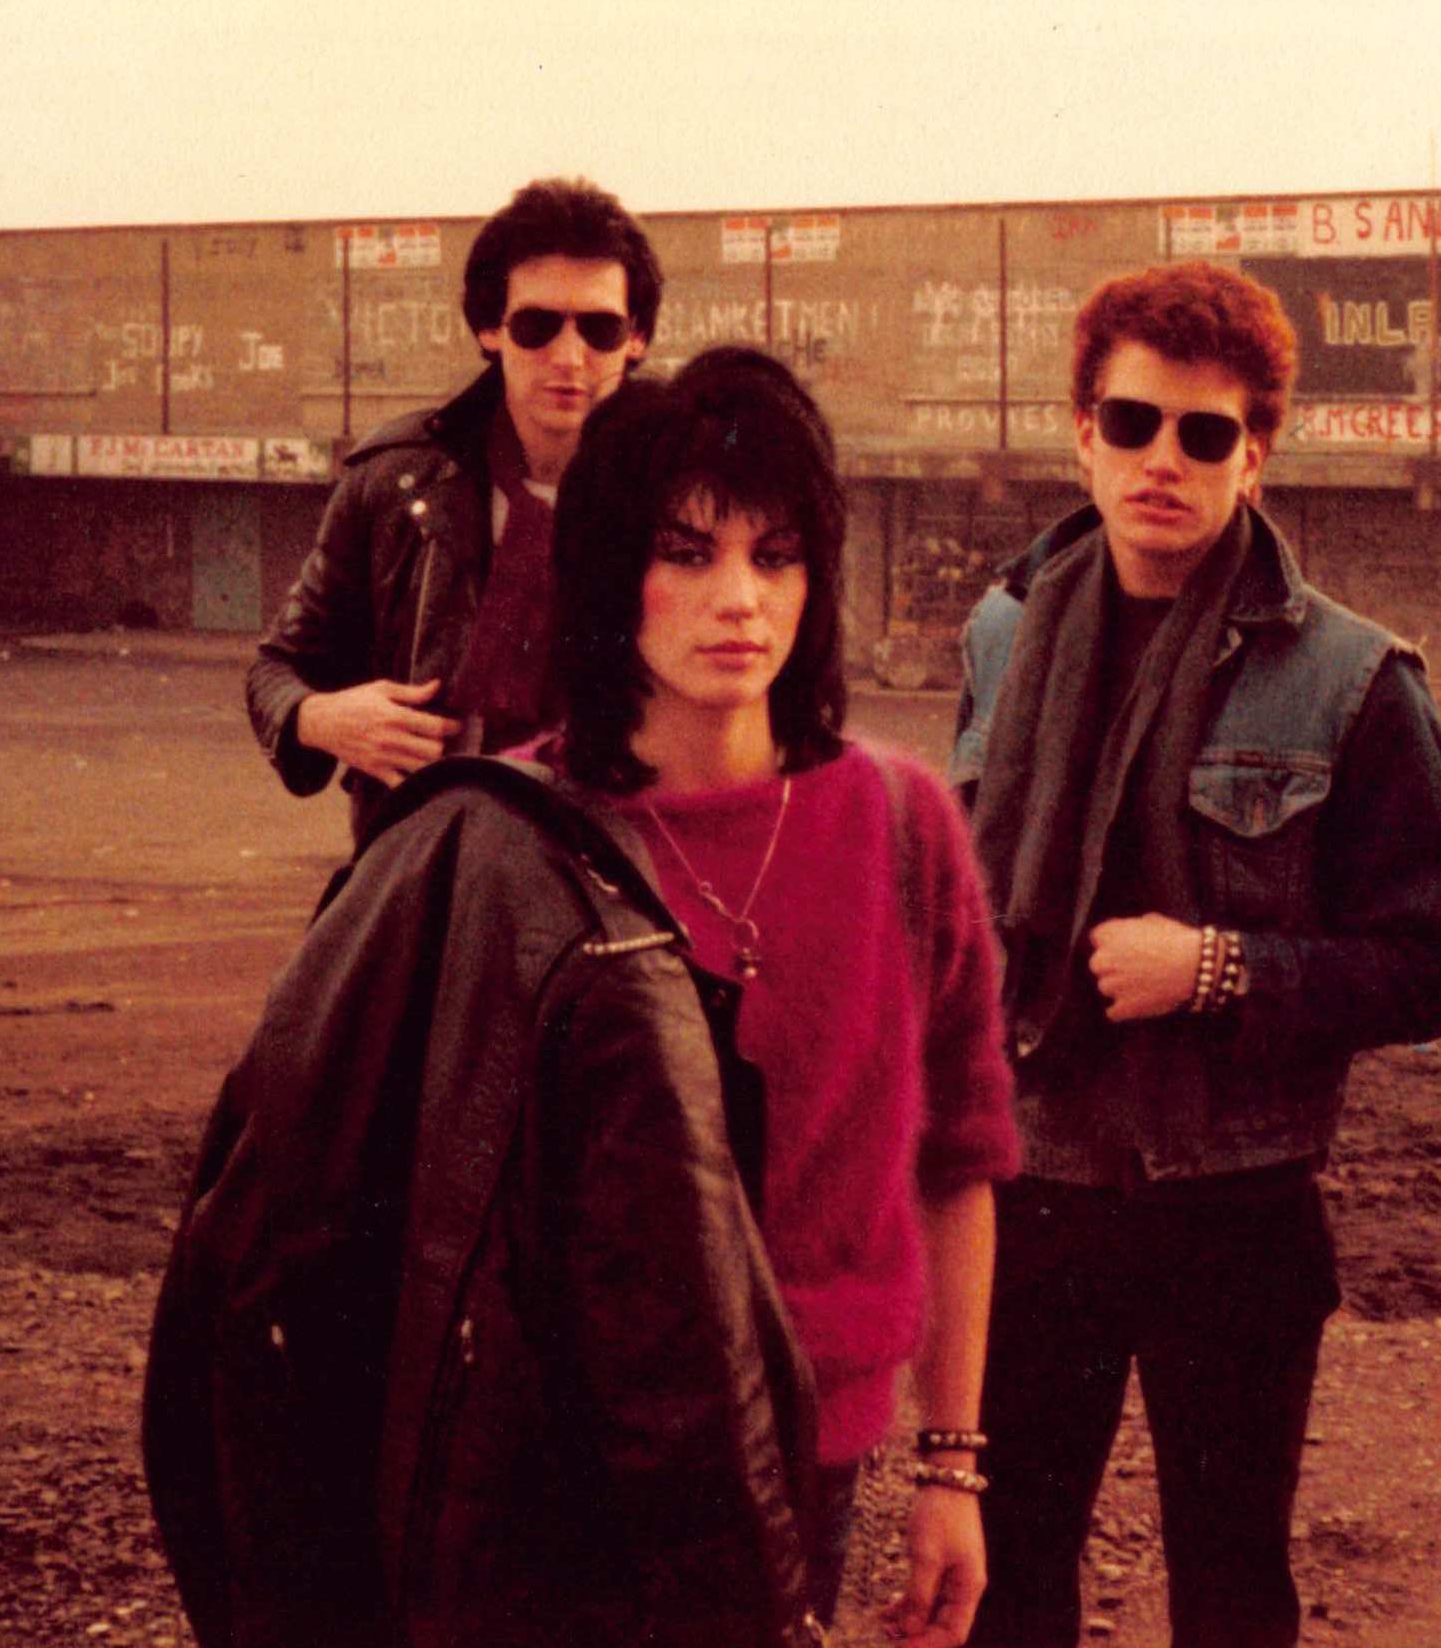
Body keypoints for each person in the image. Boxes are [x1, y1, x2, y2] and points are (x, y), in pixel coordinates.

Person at [948, 260, 1441, 1648]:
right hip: (1034, 1181)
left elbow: (1431, 964)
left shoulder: (1355, 677)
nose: (1162, 460)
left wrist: (1218, 967)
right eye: (1132, 423)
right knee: (1010, 1576)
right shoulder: (1003, 635)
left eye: (1203, 432)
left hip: (1234, 1200)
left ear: (1257, 453)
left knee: (1232, 1586)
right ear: (1083, 433)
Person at [530, 350, 1018, 1648]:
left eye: (777, 554)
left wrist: (951, 1465)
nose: (739, 598)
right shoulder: (508, 835)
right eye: (686, 552)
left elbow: (959, 1160)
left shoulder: (902, 824)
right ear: (607, 570)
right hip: (557, 1459)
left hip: (811, 1450)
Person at [247, 175, 661, 848]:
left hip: (623, 867)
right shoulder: (396, 483)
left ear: (636, 338)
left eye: (600, 328)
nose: (569, 357)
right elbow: (276, 669)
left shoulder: (681, 496)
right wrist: (320, 718)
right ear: (491, 329)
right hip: (429, 864)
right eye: (536, 326)